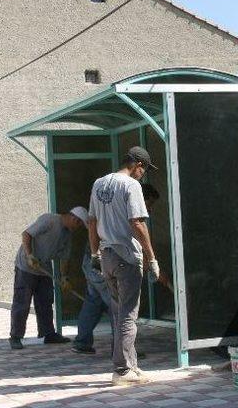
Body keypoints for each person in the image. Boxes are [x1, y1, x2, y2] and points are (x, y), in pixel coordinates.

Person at [88, 146, 160, 386]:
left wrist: (94, 253)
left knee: (119, 314)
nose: (144, 174)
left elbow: (92, 222)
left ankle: (132, 365)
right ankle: (121, 370)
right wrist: (151, 258)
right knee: (128, 315)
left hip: (107, 255)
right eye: (144, 169)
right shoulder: (131, 186)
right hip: (127, 257)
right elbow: (137, 223)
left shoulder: (99, 183)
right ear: (137, 164)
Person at [72, 183, 165, 355]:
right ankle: (122, 351)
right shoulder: (129, 216)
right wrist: (151, 262)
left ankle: (82, 343)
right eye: (149, 204)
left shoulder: (114, 210)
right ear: (140, 199)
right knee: (120, 307)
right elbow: (129, 239)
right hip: (104, 261)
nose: (150, 209)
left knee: (93, 302)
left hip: (93, 262)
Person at [9, 207, 88, 350]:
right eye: (79, 225)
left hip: (43, 268)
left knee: (45, 301)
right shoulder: (49, 220)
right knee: (22, 302)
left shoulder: (67, 234)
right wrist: (29, 255)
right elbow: (26, 234)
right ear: (74, 219)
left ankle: (48, 334)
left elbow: (64, 258)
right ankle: (15, 336)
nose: (78, 228)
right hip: (26, 266)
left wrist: (64, 277)